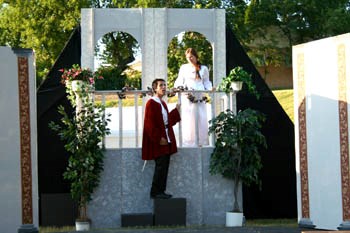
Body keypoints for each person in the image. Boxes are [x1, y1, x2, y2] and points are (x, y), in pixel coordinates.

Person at [142, 78, 181, 199]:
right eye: (161, 86)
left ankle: (161, 191)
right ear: (155, 89)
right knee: (160, 166)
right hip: (159, 141)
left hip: (166, 138)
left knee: (164, 166)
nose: (164, 87)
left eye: (164, 85)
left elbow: (167, 121)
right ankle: (155, 192)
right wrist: (159, 138)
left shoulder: (162, 103)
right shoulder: (151, 103)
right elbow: (149, 124)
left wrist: (176, 111)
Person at [174, 48, 213, 147]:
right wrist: (177, 88)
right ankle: (189, 142)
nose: (189, 59)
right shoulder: (184, 67)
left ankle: (201, 141)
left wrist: (210, 88)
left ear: (196, 56)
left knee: (201, 117)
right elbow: (179, 80)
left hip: (200, 96)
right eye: (187, 57)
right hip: (188, 96)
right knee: (188, 118)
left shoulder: (203, 68)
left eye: (191, 56)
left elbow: (206, 82)